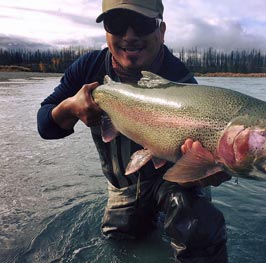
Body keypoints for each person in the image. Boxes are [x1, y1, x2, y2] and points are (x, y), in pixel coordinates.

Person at [37, 0, 229, 262]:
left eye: (141, 24)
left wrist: (204, 170)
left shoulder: (180, 80)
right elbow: (45, 126)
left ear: (161, 31)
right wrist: (70, 108)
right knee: (118, 245)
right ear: (106, 32)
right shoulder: (87, 69)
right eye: (116, 24)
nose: (129, 35)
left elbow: (195, 164)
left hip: (173, 179)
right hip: (122, 186)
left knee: (198, 225)